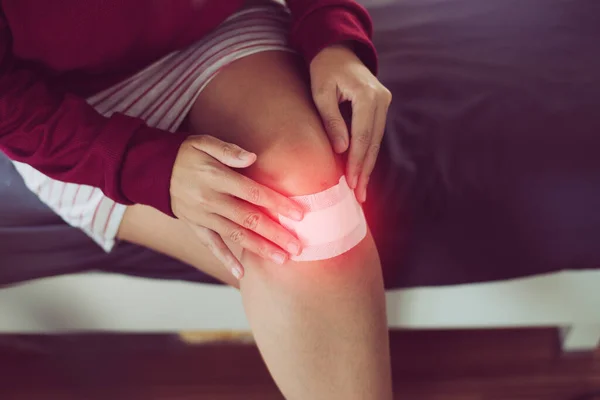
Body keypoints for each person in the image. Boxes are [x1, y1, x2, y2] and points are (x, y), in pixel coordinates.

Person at [0, 0, 393, 398]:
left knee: (308, 225)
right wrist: (151, 168)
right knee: (282, 246)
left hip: (213, 28)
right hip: (65, 110)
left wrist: (333, 36)